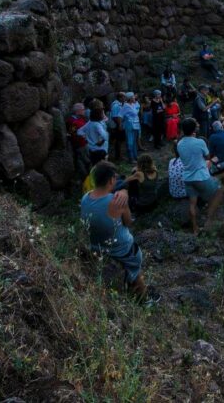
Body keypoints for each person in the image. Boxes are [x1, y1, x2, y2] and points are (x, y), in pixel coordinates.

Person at [80, 161, 157, 302]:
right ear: (111, 180)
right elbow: (128, 222)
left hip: (96, 246)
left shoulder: (85, 198)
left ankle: (130, 284)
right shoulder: (117, 201)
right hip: (120, 249)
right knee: (136, 261)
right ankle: (144, 299)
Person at [177, 117, 224, 235]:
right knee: (219, 191)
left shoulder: (179, 144)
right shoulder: (200, 142)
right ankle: (209, 222)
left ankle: (195, 229)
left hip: (188, 178)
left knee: (192, 204)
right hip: (201, 176)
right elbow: (208, 156)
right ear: (193, 129)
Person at [66, 103, 90, 180]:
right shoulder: (72, 121)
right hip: (80, 144)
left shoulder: (81, 118)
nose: (84, 111)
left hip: (85, 143)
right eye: (83, 109)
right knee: (85, 161)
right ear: (78, 111)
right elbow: (72, 133)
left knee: (87, 161)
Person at [121, 92, 141, 162]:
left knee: (134, 141)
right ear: (129, 98)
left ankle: (135, 156)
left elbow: (137, 110)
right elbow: (121, 115)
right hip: (129, 125)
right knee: (130, 141)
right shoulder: (126, 106)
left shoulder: (133, 104)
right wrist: (121, 124)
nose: (134, 98)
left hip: (135, 124)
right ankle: (131, 158)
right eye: (133, 97)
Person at [109, 92, 125, 161]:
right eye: (124, 97)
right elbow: (115, 117)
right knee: (118, 141)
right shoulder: (116, 105)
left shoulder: (120, 104)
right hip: (116, 126)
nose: (125, 98)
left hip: (119, 125)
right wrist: (119, 124)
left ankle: (119, 155)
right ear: (120, 98)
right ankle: (118, 156)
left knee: (119, 141)